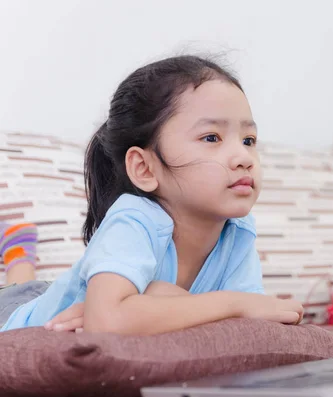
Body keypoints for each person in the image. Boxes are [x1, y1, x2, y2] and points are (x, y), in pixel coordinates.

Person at [0, 55, 304, 334]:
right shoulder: (135, 219)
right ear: (145, 168)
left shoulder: (238, 231)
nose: (244, 157)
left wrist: (160, 300)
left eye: (249, 139)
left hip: (50, 292)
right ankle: (17, 256)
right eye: (212, 137)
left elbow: (248, 325)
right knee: (20, 293)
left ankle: (17, 250)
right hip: (13, 313)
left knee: (40, 289)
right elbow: (108, 321)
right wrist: (233, 303)